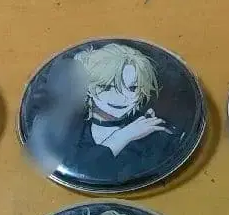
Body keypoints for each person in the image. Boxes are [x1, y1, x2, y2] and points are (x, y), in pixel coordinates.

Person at [61, 43, 177, 183]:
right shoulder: (66, 133)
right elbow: (82, 171)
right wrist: (123, 136)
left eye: (133, 88)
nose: (122, 98)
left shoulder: (155, 134)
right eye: (107, 87)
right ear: (87, 87)